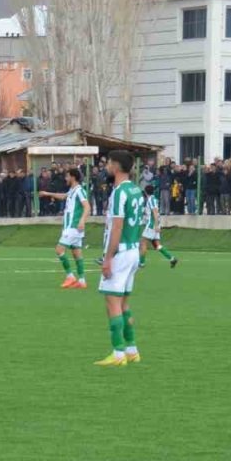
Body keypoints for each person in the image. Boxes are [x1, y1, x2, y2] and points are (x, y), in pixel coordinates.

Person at [95, 151, 145, 367]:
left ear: (116, 166)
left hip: (121, 252)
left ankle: (117, 354)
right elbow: (141, 223)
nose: (106, 166)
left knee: (112, 302)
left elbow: (117, 226)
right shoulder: (137, 190)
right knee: (124, 303)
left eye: (108, 163)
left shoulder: (119, 192)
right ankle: (132, 349)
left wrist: (107, 258)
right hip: (133, 250)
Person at [39, 167, 89, 289]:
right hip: (71, 227)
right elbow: (63, 196)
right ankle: (82, 281)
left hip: (74, 226)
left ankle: (70, 276)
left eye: (67, 176)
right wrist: (47, 193)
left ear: (73, 177)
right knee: (76, 253)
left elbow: (87, 207)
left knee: (59, 249)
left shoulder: (79, 191)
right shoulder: (72, 190)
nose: (65, 179)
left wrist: (82, 221)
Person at [139, 184, 178, 269]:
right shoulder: (153, 199)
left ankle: (141, 263)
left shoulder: (151, 200)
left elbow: (155, 213)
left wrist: (156, 225)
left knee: (143, 242)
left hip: (152, 225)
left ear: (145, 192)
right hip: (155, 224)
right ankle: (172, 258)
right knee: (157, 245)